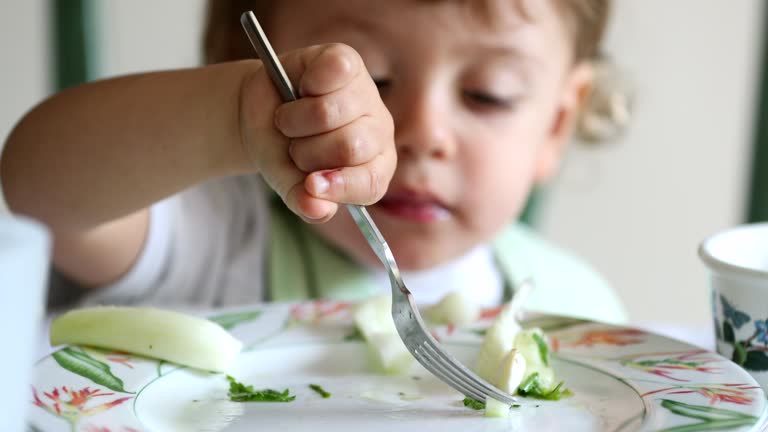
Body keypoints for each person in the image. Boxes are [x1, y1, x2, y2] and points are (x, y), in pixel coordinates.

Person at [1, 0, 628, 323]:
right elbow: (39, 193)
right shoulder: (213, 240)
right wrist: (237, 114)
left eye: (488, 93)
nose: (421, 133)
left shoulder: (576, 312)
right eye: (372, 79)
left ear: (556, 124)